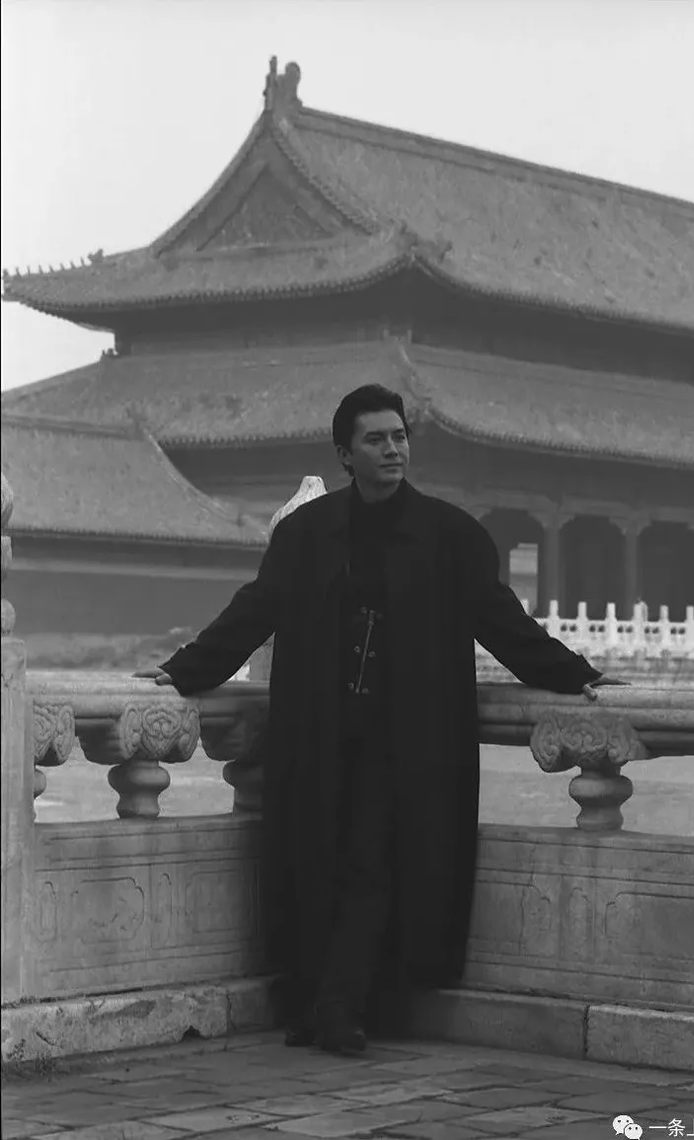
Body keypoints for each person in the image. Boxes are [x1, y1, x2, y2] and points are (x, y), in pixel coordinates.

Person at [136, 385, 622, 1055]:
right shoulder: (306, 535)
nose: (393, 449)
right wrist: (187, 669)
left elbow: (502, 622)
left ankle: (336, 1010)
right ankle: (316, 1003)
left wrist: (577, 674)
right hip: (319, 731)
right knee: (318, 863)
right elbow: (256, 610)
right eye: (376, 439)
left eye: (399, 437)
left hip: (408, 739)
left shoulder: (451, 536)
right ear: (345, 454)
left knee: (372, 864)